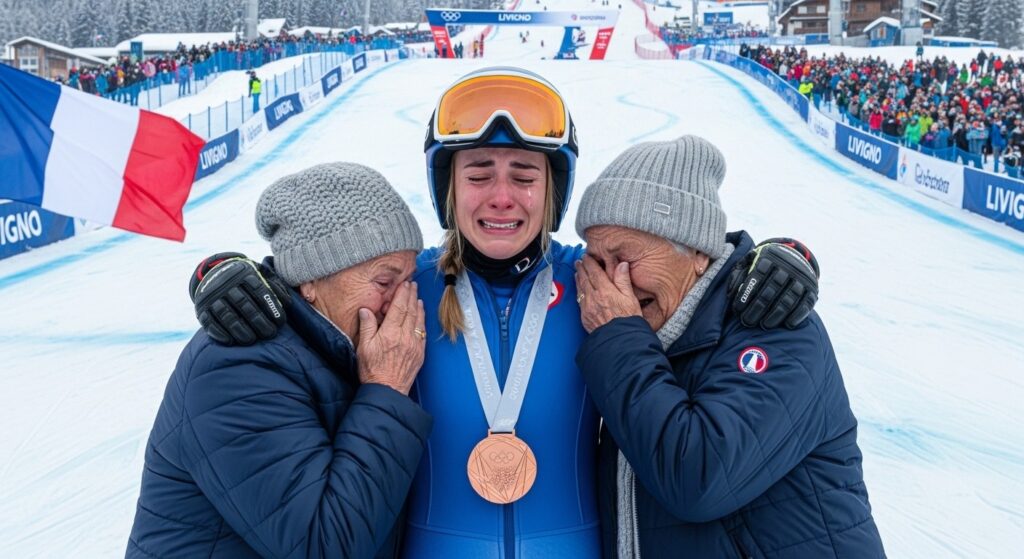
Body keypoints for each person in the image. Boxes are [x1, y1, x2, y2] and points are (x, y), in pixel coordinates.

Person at [184, 68, 820, 558]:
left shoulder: (599, 285)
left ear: (552, 192)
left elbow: (698, 294)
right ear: (448, 190)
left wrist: (777, 261)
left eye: (524, 175)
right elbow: (307, 305)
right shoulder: (405, 289)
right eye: (478, 173)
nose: (501, 197)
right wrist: (230, 279)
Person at [573, 136, 885, 557]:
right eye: (597, 262)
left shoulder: (775, 328)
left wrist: (619, 335)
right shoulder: (647, 340)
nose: (613, 281)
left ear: (698, 252)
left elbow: (696, 477)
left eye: (627, 256)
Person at [126, 163, 434, 558]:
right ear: (310, 281)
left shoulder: (337, 347)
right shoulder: (238, 368)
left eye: (409, 282)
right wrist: (387, 388)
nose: (401, 305)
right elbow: (327, 546)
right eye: (383, 282)